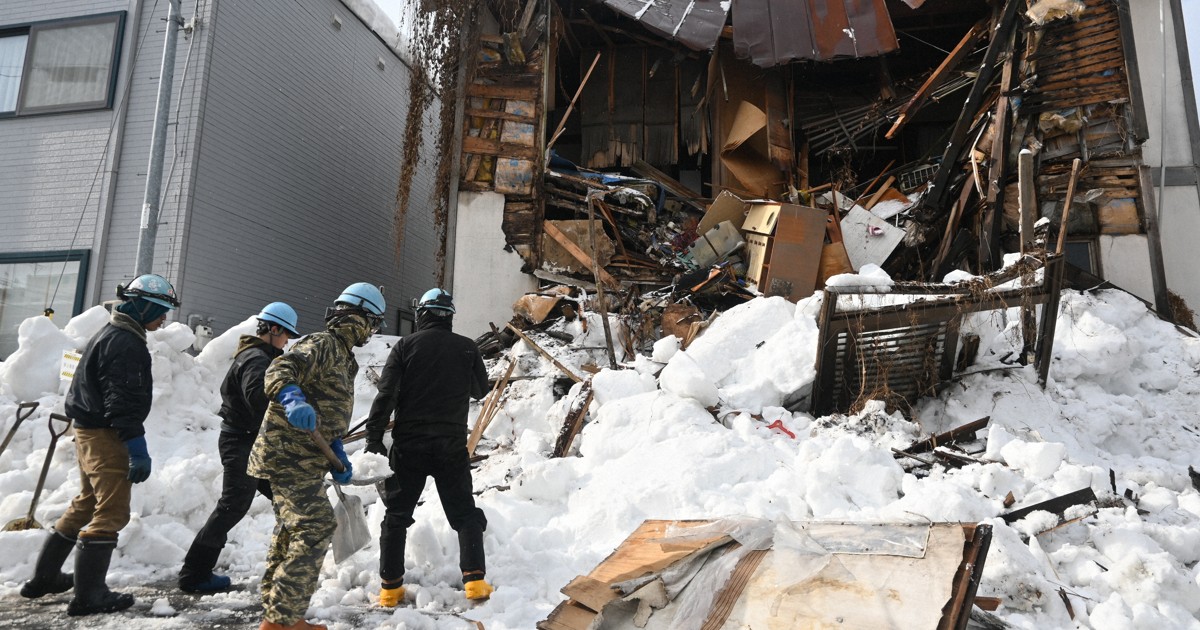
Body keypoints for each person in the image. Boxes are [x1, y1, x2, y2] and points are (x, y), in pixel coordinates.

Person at [20, 274, 179, 616]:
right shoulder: (125, 342)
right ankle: (89, 595)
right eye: (161, 309)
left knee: (87, 502)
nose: (164, 317)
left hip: (88, 430)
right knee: (112, 511)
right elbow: (122, 400)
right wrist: (136, 447)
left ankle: (45, 576)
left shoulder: (111, 333)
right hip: (106, 435)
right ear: (141, 305)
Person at [247, 283, 385, 630]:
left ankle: (275, 615)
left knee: (289, 531)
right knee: (315, 526)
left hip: (306, 458)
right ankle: (283, 621)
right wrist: (292, 398)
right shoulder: (323, 344)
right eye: (374, 323)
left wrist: (336, 450)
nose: (373, 332)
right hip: (288, 456)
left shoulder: (342, 356)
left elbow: (327, 409)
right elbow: (279, 370)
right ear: (361, 317)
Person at [364, 288, 492, 606]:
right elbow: (481, 389)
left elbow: (386, 395)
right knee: (464, 514)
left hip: (409, 446)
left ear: (422, 314)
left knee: (396, 515)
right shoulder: (467, 348)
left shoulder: (405, 346)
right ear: (449, 317)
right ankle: (475, 582)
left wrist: (373, 439)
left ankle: (390, 588)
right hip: (450, 446)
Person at [178, 303, 301, 592]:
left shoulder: (260, 356)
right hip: (242, 442)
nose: (287, 342)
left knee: (286, 497)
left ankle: (290, 566)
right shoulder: (256, 359)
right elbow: (258, 399)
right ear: (273, 329)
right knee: (233, 505)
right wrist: (289, 406)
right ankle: (194, 574)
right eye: (286, 336)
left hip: (253, 440)